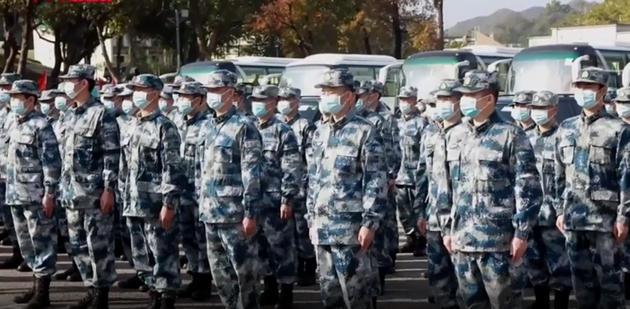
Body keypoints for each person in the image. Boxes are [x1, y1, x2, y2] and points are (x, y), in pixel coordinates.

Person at [442, 70, 541, 309]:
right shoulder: (455, 135)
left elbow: (528, 186)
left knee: (504, 304)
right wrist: (446, 227)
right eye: (464, 95)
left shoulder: (511, 135)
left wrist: (522, 233)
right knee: (471, 304)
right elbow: (444, 186)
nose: (465, 100)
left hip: (499, 242)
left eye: (472, 94)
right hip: (463, 240)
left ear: (490, 99)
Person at [307, 69, 386, 309]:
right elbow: (313, 179)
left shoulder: (365, 131)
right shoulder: (319, 132)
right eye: (324, 92)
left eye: (332, 92)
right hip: (322, 229)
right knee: (330, 296)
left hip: (351, 231)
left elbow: (375, 180)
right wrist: (311, 218)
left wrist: (369, 223)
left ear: (350, 97)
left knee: (357, 295)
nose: (326, 96)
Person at [555, 67, 630, 309]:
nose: (583, 91)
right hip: (574, 220)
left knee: (610, 285)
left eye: (589, 87)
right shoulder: (566, 128)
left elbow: (626, 177)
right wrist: (559, 210)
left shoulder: (619, 129)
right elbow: (558, 175)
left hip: (605, 221)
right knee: (582, 286)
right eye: (579, 87)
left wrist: (623, 218)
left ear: (603, 91)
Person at [59, 64, 120, 309]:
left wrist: (108, 189)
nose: (66, 84)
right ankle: (90, 288)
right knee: (78, 245)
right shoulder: (70, 114)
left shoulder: (102, 114)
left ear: (84, 83)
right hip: (72, 193)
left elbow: (111, 154)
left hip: (94, 193)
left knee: (99, 245)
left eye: (70, 80)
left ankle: (102, 295)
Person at [201, 69, 263, 309]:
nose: (212, 95)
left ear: (229, 92)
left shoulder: (244, 126)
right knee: (220, 275)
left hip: (235, 214)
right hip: (211, 212)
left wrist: (250, 213)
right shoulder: (208, 126)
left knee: (244, 274)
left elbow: (252, 173)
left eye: (216, 91)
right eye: (209, 91)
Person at [124, 74, 183, 309]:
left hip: (155, 204)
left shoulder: (165, 127)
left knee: (164, 254)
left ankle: (167, 298)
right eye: (135, 88)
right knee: (142, 256)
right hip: (133, 202)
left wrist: (169, 204)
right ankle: (153, 294)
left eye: (142, 89)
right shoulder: (132, 124)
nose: (137, 93)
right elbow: (124, 165)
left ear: (156, 93)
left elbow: (172, 168)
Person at [6, 80, 62, 309]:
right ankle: (35, 284)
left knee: (42, 243)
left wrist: (49, 193)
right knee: (26, 244)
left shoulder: (42, 126)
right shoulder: (15, 123)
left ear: (31, 100)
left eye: (18, 97)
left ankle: (43, 292)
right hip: (16, 193)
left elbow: (52, 163)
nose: (13, 101)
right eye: (12, 97)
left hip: (35, 195)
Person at [251, 85, 302, 308]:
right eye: (255, 100)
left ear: (273, 103)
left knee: (282, 248)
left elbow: (291, 166)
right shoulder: (249, 128)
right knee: (260, 248)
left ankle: (286, 291)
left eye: (262, 100)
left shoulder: (283, 131)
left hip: (275, 201)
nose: (258, 104)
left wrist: (287, 198)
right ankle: (269, 286)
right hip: (254, 201)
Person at [523, 90, 572, 309]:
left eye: (544, 108)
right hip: (531, 212)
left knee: (560, 263)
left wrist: (563, 210)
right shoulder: (525, 138)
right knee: (533, 261)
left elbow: (569, 177)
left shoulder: (564, 137)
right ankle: (540, 301)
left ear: (554, 109)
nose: (539, 112)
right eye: (536, 108)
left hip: (554, 214)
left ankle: (561, 304)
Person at [418, 80, 461, 309]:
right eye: (439, 101)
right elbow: (422, 174)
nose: (442, 105)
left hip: (462, 217)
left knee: (463, 274)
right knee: (438, 269)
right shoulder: (431, 135)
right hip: (434, 214)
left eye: (447, 99)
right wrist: (420, 211)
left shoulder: (466, 133)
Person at [172, 81, 213, 301]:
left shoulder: (208, 125)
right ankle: (194, 276)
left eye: (187, 97)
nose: (182, 101)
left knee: (202, 239)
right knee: (187, 238)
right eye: (180, 96)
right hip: (182, 192)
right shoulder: (178, 122)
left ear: (200, 100)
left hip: (201, 193)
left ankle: (205, 281)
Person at [356, 80, 395, 295]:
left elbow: (388, 151)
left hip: (376, 183)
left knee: (377, 234)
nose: (362, 98)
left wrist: (389, 177)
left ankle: (378, 279)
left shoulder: (378, 122)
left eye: (365, 95)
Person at [277, 86, 317, 287]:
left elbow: (311, 162)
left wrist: (307, 188)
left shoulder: (305, 126)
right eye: (281, 98)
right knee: (285, 235)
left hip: (301, 190)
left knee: (302, 234)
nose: (284, 102)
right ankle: (290, 269)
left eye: (288, 98)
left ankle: (308, 268)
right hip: (280, 191)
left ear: (297, 102)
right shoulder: (275, 125)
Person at [394, 86, 430, 260]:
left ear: (415, 101)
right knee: (403, 212)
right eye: (402, 100)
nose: (404, 103)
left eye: (408, 100)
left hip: (416, 176)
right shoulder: (396, 122)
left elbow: (424, 151)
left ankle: (420, 241)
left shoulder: (421, 123)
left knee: (417, 211)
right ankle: (410, 238)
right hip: (400, 176)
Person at [0, 73, 23, 269]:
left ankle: (27, 255)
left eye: (8, 88)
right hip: (2, 174)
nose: (3, 92)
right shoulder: (2, 114)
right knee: (8, 218)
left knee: (22, 221)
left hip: (18, 177)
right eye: (2, 88)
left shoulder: (22, 115)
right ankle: (17, 252)